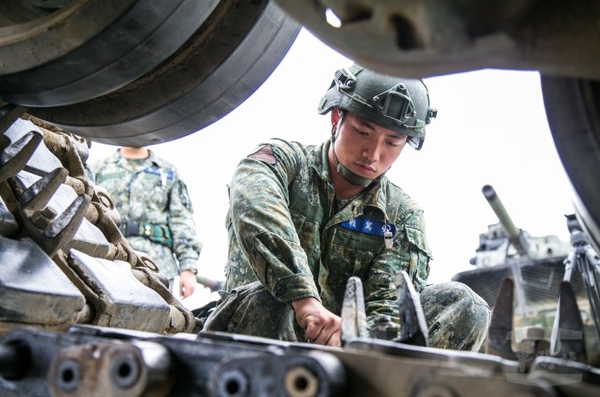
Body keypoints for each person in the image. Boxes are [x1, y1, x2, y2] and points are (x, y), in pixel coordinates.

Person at [203, 63, 490, 350]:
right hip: (252, 332)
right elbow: (257, 209)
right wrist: (304, 302)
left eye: (393, 141)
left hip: (345, 349)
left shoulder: (401, 216)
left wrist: (354, 339)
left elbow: (388, 309)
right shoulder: (281, 163)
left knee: (466, 304)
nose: (373, 154)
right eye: (363, 131)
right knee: (273, 300)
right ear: (336, 118)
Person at [91, 146, 203, 299]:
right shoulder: (99, 169)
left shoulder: (167, 171)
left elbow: (181, 219)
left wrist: (188, 268)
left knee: (156, 318)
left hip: (157, 267)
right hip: (111, 260)